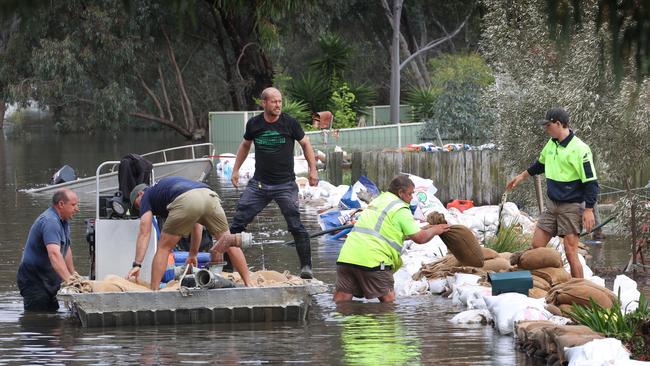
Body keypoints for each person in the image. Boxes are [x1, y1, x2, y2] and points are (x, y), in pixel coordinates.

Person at [229, 87, 318, 279]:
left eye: (280, 101)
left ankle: (306, 268)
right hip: (259, 185)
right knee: (238, 222)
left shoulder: (290, 123)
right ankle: (229, 268)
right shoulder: (254, 124)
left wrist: (312, 170)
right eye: (274, 102)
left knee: (295, 224)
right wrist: (235, 170)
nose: (278, 105)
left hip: (285, 185)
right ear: (264, 103)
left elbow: (305, 144)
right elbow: (245, 146)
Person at [506, 107, 599, 278]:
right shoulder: (551, 144)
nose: (546, 129)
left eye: (548, 125)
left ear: (558, 124)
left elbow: (591, 183)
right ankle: (546, 280)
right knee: (536, 245)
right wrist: (521, 176)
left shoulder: (580, 149)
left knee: (571, 253)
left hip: (571, 206)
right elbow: (540, 165)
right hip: (552, 205)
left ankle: (578, 290)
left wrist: (588, 210)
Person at [333, 175, 450, 303]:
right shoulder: (400, 208)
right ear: (400, 193)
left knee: (341, 303)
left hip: (346, 258)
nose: (411, 198)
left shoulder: (378, 201)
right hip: (373, 261)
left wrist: (427, 228)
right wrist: (436, 230)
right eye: (410, 194)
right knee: (388, 304)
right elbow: (420, 239)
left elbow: (387, 233)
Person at [126, 176, 251, 289]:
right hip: (209, 195)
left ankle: (153, 292)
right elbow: (197, 225)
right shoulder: (166, 188)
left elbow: (144, 231)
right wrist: (192, 255)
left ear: (140, 194)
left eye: (137, 206)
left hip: (187, 199)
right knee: (227, 241)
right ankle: (249, 284)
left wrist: (137, 264)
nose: (139, 209)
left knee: (163, 248)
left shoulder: (146, 196)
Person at [17, 188, 79, 312]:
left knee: (52, 317)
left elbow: (65, 249)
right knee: (40, 320)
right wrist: (69, 282)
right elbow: (55, 255)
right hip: (34, 279)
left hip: (49, 279)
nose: (77, 209)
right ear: (61, 204)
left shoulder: (64, 221)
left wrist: (73, 276)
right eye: (73, 205)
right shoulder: (50, 221)